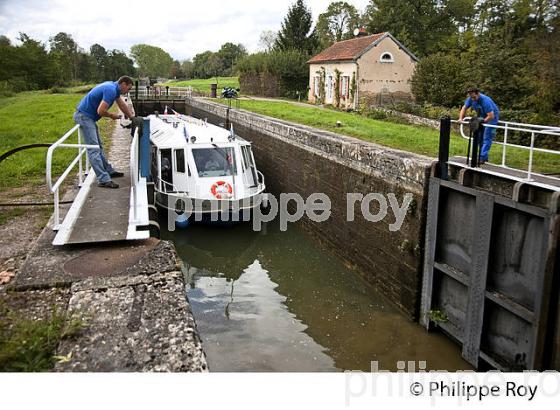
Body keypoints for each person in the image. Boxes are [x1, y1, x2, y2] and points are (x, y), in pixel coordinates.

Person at [73, 76, 135, 188]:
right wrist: (112, 116)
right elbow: (101, 111)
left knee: (99, 146)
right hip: (84, 117)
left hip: (88, 117)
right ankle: (103, 179)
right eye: (128, 89)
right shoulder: (111, 90)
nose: (128, 92)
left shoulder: (113, 88)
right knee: (94, 149)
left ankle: (108, 170)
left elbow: (121, 104)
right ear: (123, 84)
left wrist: (132, 117)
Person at [459, 87, 500, 165]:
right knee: (479, 138)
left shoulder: (485, 101)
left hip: (492, 118)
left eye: (474, 97)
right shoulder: (470, 98)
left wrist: (482, 122)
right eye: (471, 97)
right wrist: (460, 118)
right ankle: (484, 157)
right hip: (481, 117)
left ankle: (482, 157)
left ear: (478, 94)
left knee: (487, 137)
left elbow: (491, 116)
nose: (473, 99)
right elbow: (464, 108)